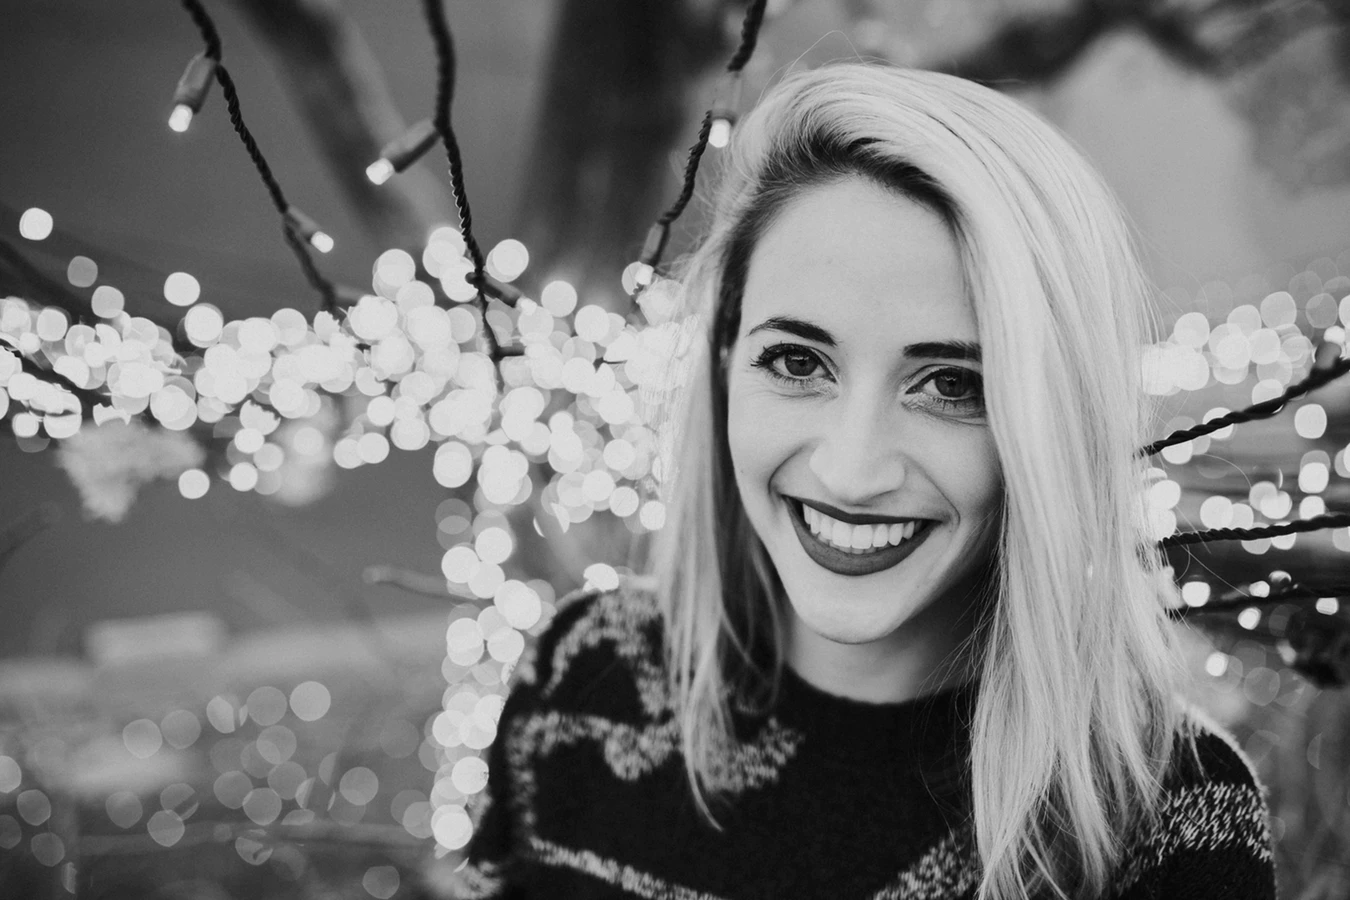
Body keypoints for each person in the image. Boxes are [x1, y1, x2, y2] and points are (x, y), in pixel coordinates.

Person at [452, 63, 1277, 899]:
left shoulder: (1163, 821)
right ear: (726, 360)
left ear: (1052, 421)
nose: (850, 471)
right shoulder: (588, 667)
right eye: (798, 362)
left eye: (953, 384)